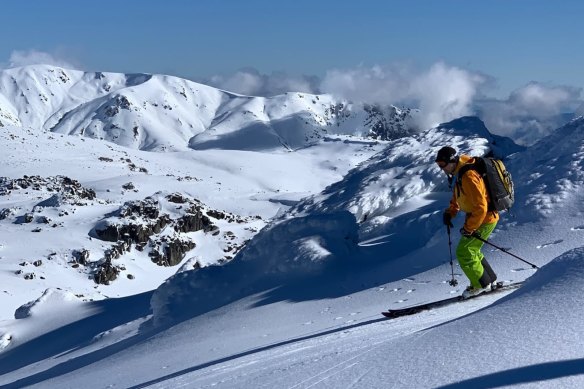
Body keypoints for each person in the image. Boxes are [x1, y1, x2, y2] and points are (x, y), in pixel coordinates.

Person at [435, 146, 498, 298]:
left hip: (484, 219)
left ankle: (480, 285)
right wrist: (451, 212)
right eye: (439, 165)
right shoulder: (460, 173)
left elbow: (481, 207)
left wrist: (469, 228)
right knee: (472, 250)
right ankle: (488, 281)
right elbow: (459, 196)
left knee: (464, 252)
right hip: (481, 218)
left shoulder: (468, 176)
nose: (441, 169)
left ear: (452, 161)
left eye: (443, 165)